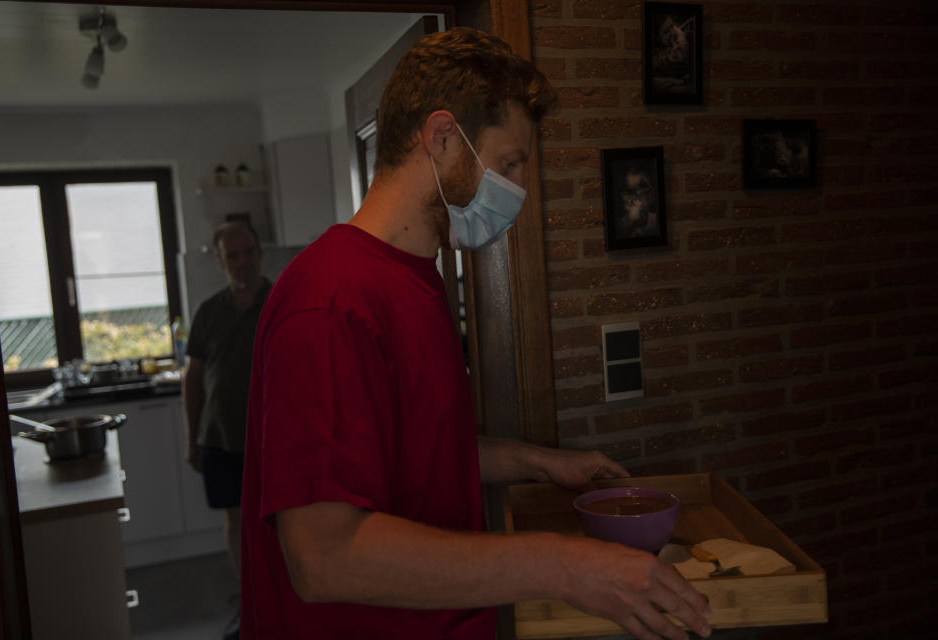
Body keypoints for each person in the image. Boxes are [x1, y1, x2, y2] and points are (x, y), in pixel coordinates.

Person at [239, 27, 711, 640]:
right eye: (509, 163)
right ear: (441, 139)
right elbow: (325, 557)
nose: (518, 188)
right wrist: (567, 567)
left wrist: (534, 463)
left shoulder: (419, 280)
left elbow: (406, 450)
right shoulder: (330, 301)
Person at [183, 220, 271, 640]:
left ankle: (283, 601)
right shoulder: (208, 312)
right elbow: (193, 377)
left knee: (278, 519)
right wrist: (191, 437)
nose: (242, 262)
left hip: (275, 437)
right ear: (219, 261)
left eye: (248, 252)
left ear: (259, 252)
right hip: (220, 436)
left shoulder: (281, 300)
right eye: (232, 255)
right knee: (235, 520)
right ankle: (249, 600)